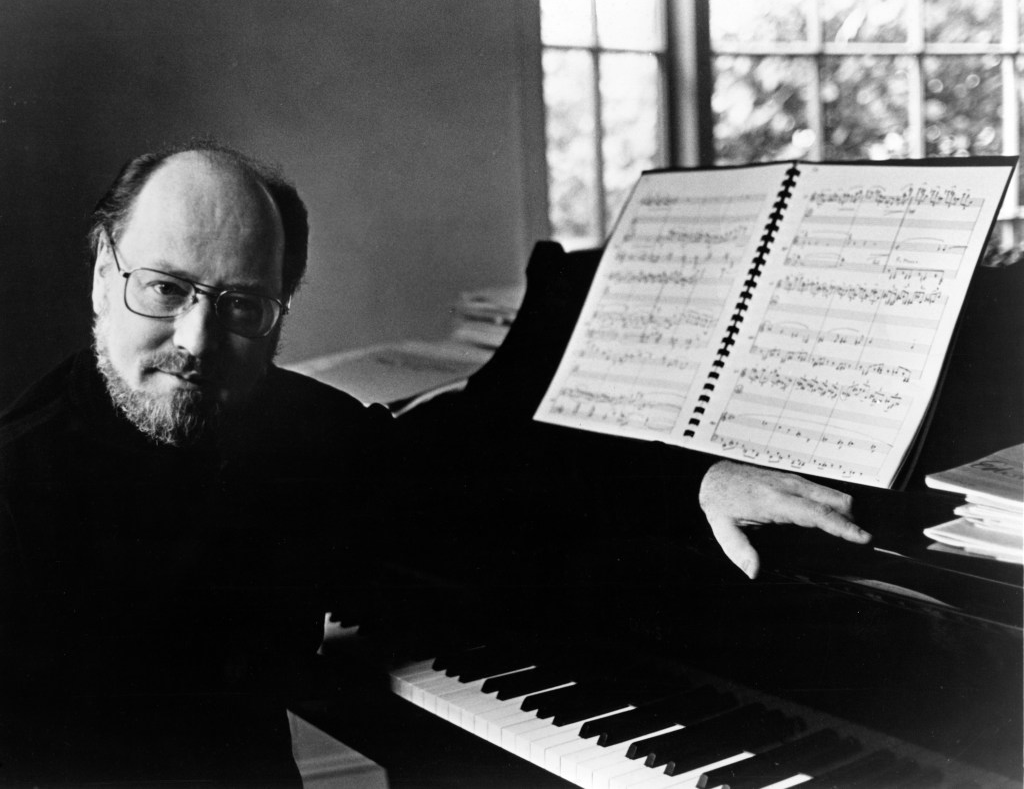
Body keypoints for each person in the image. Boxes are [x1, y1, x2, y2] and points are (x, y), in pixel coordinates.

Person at [0, 141, 869, 786]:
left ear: (279, 312)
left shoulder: (284, 427)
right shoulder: (17, 490)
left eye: (241, 306)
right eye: (164, 289)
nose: (196, 340)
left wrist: (696, 481)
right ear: (102, 275)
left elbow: (470, 473)